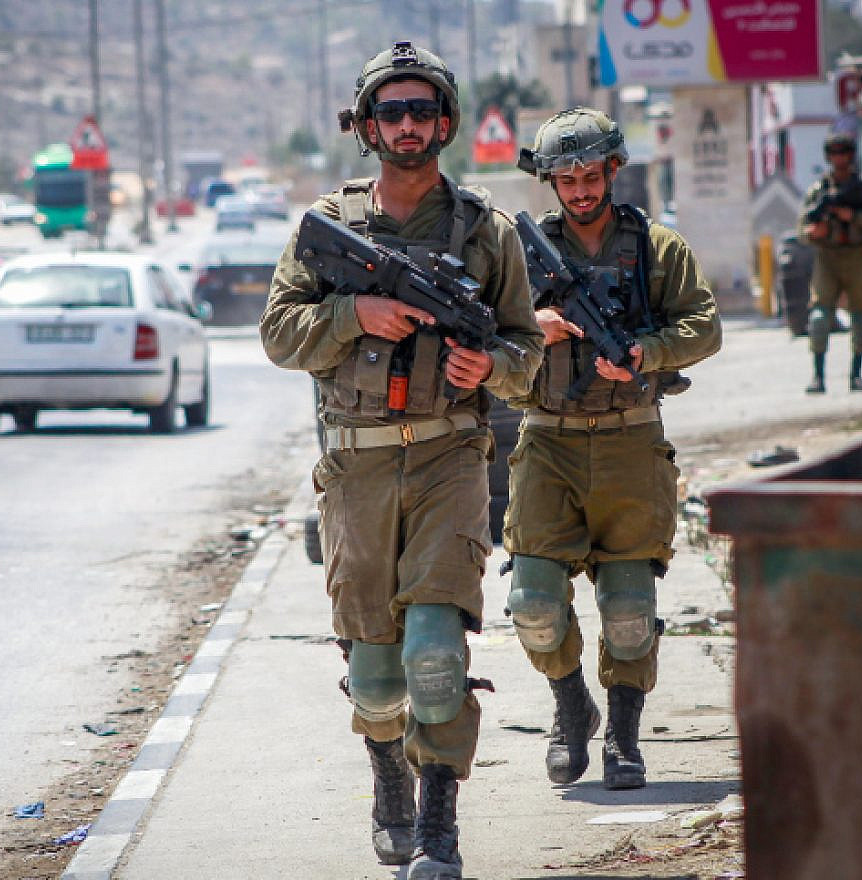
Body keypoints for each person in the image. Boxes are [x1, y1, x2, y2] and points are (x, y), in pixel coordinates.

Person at [261, 41, 543, 879]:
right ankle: (387, 767)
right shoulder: (329, 229)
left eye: (423, 111)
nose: (409, 125)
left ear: (447, 123)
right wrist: (356, 315)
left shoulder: (487, 232)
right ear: (366, 125)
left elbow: (528, 350)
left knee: (434, 651)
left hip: (452, 459)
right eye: (393, 111)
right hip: (356, 468)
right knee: (378, 676)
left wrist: (489, 366)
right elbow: (279, 335)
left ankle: (439, 824)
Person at [508, 108, 721, 791]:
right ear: (549, 181)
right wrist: (534, 329)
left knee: (629, 614)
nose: (578, 190)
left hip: (632, 442)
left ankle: (623, 739)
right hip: (546, 443)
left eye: (590, 175)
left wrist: (645, 352)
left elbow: (704, 328)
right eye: (565, 178)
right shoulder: (520, 257)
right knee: (534, 604)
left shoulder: (659, 248)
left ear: (613, 170)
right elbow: (483, 340)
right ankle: (571, 706)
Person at [799, 132, 862, 393]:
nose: (840, 159)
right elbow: (803, 228)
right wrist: (813, 232)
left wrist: (854, 216)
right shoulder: (820, 191)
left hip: (856, 255)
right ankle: (818, 377)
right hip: (827, 257)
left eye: (844, 153)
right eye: (835, 154)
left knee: (860, 315)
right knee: (819, 316)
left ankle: (856, 375)